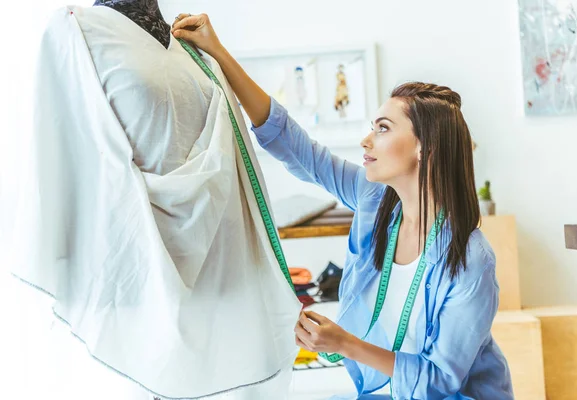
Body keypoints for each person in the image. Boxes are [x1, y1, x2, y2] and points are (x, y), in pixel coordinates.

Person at [172, 14, 514, 399]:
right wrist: (218, 52)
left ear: (425, 147)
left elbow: (439, 383)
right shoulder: (376, 202)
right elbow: (293, 146)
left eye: (383, 128)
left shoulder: (471, 260)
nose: (366, 140)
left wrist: (345, 343)